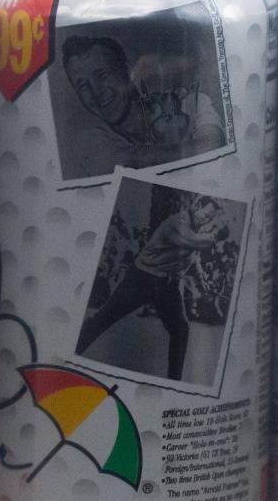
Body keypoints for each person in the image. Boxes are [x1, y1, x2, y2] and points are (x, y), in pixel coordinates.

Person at [77, 193, 229, 382]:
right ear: (197, 207)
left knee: (181, 331)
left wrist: (203, 286)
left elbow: (192, 258)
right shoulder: (177, 223)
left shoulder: (195, 228)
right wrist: (215, 236)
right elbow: (192, 243)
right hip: (141, 279)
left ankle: (174, 384)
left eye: (209, 218)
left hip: (168, 285)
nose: (206, 220)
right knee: (104, 318)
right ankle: (70, 353)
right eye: (205, 215)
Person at [60, 35, 224, 176]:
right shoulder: (89, 142)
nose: (96, 92)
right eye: (83, 86)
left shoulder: (192, 103)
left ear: (128, 71)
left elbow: (213, 147)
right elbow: (126, 163)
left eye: (102, 76)